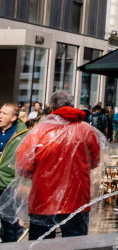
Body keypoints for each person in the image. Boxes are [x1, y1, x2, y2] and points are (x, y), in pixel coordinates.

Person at [15, 91, 102, 239]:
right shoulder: (87, 130)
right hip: (77, 200)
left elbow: (24, 167)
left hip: (43, 200)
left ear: (51, 107)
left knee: (40, 249)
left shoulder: (38, 131)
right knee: (76, 248)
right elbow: (94, 162)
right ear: (72, 105)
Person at [0, 102, 30, 243]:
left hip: (9, 186)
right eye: (0, 112)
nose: (0, 116)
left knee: (9, 225)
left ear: (13, 118)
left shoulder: (23, 135)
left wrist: (24, 183)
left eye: (4, 113)